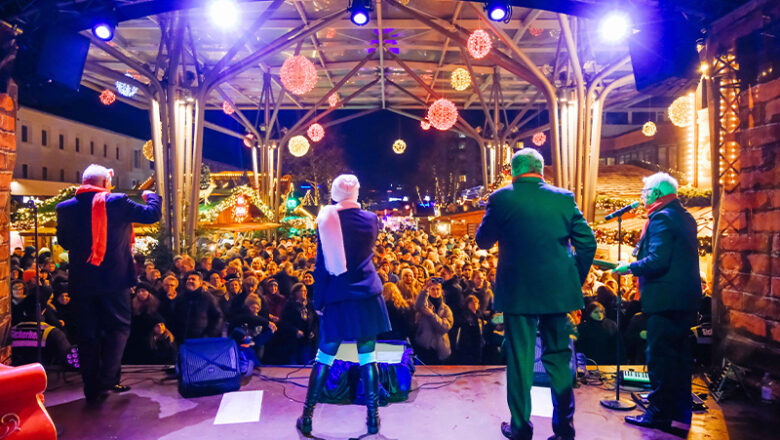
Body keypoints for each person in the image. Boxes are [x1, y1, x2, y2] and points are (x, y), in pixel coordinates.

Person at [475, 148, 596, 440]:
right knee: (558, 358)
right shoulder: (564, 198)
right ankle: (565, 430)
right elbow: (588, 244)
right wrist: (572, 280)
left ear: (513, 171)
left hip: (518, 294)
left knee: (520, 360)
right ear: (541, 170)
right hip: (557, 294)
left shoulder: (501, 197)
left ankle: (520, 429)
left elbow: (483, 240)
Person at [56, 164, 161, 403]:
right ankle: (106, 379)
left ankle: (92, 388)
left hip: (82, 282)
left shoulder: (65, 208)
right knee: (119, 328)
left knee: (88, 335)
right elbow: (152, 215)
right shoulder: (117, 202)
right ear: (104, 183)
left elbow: (64, 242)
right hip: (114, 280)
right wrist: (152, 197)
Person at [297, 174, 390, 436]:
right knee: (368, 358)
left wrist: (318, 300)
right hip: (367, 294)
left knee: (324, 358)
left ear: (335, 192)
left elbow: (321, 265)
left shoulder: (326, 218)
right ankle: (372, 419)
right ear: (357, 192)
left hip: (338, 296)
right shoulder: (372, 220)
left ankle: (307, 418)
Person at [614, 173, 702, 430]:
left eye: (645, 192)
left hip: (665, 300)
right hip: (684, 300)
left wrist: (629, 267)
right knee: (679, 358)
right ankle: (679, 413)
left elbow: (657, 260)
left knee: (660, 358)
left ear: (656, 194)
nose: (642, 196)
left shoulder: (661, 218)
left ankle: (658, 414)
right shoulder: (684, 216)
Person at [171, 271, 224, 342]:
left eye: (193, 279)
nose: (190, 281)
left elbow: (218, 316)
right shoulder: (181, 297)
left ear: (200, 283)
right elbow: (174, 315)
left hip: (200, 340)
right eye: (188, 279)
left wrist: (209, 334)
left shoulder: (208, 297)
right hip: (181, 340)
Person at [414, 278, 454, 364]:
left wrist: (432, 315)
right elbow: (418, 305)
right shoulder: (425, 306)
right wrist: (425, 289)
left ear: (441, 291)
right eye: (433, 289)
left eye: (437, 289)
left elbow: (445, 327)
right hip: (425, 346)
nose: (435, 291)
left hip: (440, 348)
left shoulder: (446, 309)